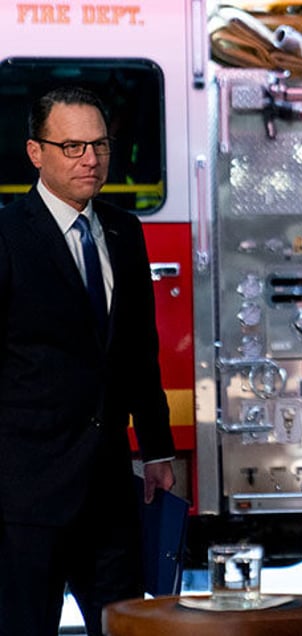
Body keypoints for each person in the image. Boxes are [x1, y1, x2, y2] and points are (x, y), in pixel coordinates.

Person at [0, 86, 176, 636]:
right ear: (36, 152)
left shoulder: (125, 231)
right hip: (24, 497)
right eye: (72, 146)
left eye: (99, 145)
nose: (91, 160)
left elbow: (138, 353)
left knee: (126, 628)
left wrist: (157, 450)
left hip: (109, 490)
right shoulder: (6, 235)